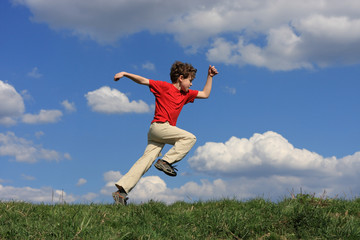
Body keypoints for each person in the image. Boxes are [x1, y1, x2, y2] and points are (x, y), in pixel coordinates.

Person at [112, 61, 218, 205]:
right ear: (181, 78)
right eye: (190, 80)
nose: (191, 84)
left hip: (158, 133)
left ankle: (121, 192)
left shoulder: (185, 94)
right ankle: (165, 161)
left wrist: (210, 76)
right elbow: (143, 80)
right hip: (160, 127)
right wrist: (125, 73)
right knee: (190, 138)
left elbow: (205, 94)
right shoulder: (163, 87)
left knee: (145, 161)